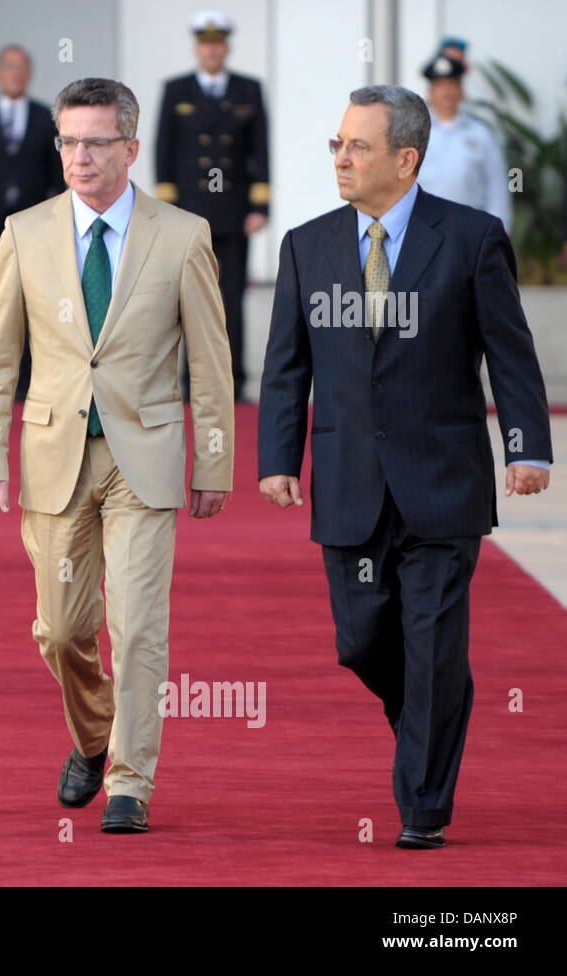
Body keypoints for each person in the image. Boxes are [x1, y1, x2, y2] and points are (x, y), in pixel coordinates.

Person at [258, 85, 552, 849]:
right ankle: (436, 702)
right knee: (361, 641)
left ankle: (423, 807)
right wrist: (276, 457)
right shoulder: (308, 244)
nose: (341, 158)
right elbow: (286, 367)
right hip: (349, 481)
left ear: (405, 158)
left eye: (357, 146)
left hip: (443, 483)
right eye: (337, 144)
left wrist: (526, 446)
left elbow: (509, 355)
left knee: (431, 637)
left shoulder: (471, 238)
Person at [0, 78, 234, 834]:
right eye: (68, 142)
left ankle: (130, 781)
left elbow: (211, 366)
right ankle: (92, 736)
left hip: (142, 458)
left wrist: (213, 464)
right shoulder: (25, 232)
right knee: (59, 629)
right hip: (55, 455)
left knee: (139, 626)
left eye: (95, 143)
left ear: (131, 148)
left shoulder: (182, 235)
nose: (79, 158)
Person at [154, 10, 269, 400]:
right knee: (187, 297)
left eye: (218, 44)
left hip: (234, 211)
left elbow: (259, 148)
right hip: (190, 210)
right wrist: (167, 206)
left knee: (230, 298)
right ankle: (190, 384)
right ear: (198, 48)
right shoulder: (177, 90)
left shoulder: (247, 90)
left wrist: (260, 205)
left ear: (226, 47)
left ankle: (233, 380)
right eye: (206, 44)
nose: (212, 51)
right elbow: (163, 148)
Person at [0, 44, 65, 400]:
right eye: (8, 67)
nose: (15, 73)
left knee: (34, 301)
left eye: (21, 67)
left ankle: (30, 379)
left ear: (29, 73)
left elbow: (57, 175)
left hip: (35, 226)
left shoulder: (44, 115)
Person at [417, 52, 511, 233]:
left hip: (470, 232)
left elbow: (497, 189)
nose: (446, 91)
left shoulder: (481, 134)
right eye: (439, 85)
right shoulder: (417, 132)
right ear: (430, 92)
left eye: (451, 84)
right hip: (423, 230)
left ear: (461, 90)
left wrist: (498, 235)